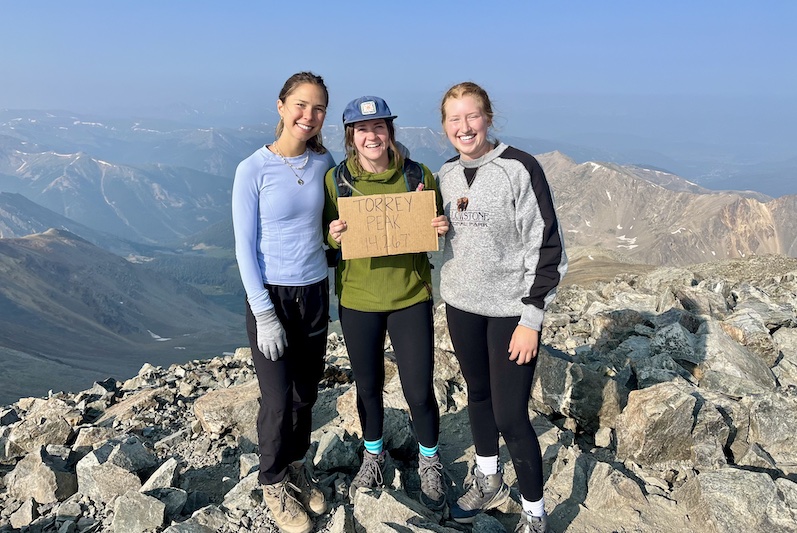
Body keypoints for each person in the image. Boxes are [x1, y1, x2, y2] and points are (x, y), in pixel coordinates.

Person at [437, 82, 568, 533]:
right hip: (461, 305)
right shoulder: (446, 175)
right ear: (444, 127)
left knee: (511, 413)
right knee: (477, 394)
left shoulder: (519, 167)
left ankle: (535, 512)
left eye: (472, 116)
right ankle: (489, 478)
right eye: (455, 119)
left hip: (511, 311)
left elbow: (547, 245)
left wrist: (532, 319)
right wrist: (434, 229)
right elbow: (452, 240)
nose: (464, 127)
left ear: (488, 117)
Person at [323, 96, 450, 511]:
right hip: (359, 300)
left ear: (390, 132)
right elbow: (324, 237)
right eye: (363, 129)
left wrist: (440, 225)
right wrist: (334, 235)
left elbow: (441, 226)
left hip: (410, 297)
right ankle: (373, 455)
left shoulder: (418, 175)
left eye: (379, 127)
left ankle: (429, 461)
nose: (372, 136)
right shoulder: (335, 181)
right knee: (369, 386)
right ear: (351, 137)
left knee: (417, 388)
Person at [232, 71, 335, 533]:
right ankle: (272, 481)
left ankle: (296, 465)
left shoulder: (325, 162)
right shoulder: (252, 168)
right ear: (280, 106)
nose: (308, 116)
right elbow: (243, 246)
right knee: (276, 399)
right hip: (272, 294)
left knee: (305, 394)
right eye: (300, 105)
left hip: (315, 290)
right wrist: (263, 312)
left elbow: (338, 219)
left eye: (317, 109)